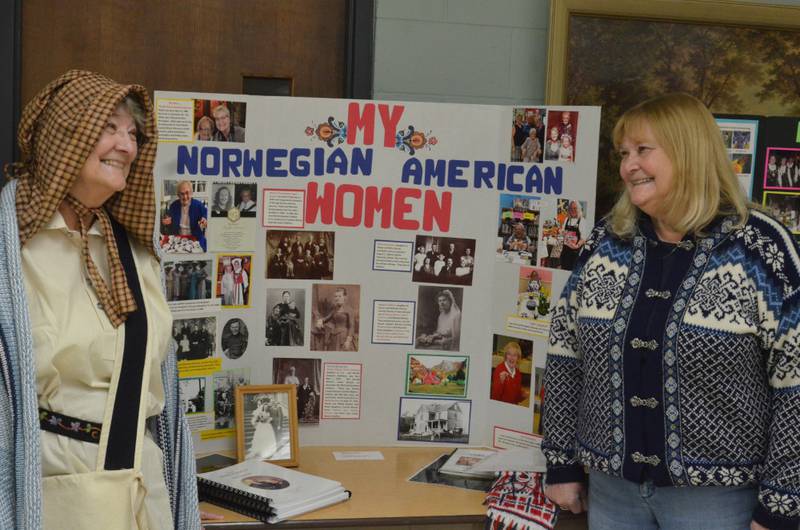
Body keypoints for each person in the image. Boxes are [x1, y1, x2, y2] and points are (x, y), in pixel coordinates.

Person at [542, 93, 800, 530]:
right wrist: (561, 462)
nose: (629, 166)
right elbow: (565, 353)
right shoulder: (607, 239)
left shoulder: (761, 248)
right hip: (612, 492)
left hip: (719, 504)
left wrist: (782, 503)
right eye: (624, 154)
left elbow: (795, 381)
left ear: (689, 152)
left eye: (643, 151)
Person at [0, 70, 200, 528]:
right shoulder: (12, 252)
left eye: (132, 133)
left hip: (142, 485)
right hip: (54, 488)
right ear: (65, 136)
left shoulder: (135, 251)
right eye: (108, 128)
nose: (127, 146)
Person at [161, 179, 208, 251]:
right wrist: (167, 223)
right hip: (179, 239)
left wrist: (205, 219)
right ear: (178, 195)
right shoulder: (173, 206)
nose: (185, 197)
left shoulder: (198, 205)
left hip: (195, 237)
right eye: (182, 194)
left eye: (187, 193)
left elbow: (206, 214)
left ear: (191, 193)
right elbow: (170, 224)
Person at [558, 200, 587, 270]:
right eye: (571, 208)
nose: (572, 210)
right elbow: (563, 232)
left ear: (579, 209)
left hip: (575, 253)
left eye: (575, 208)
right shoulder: (567, 219)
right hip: (565, 251)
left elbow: (584, 238)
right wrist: (562, 232)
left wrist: (577, 246)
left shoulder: (582, 221)